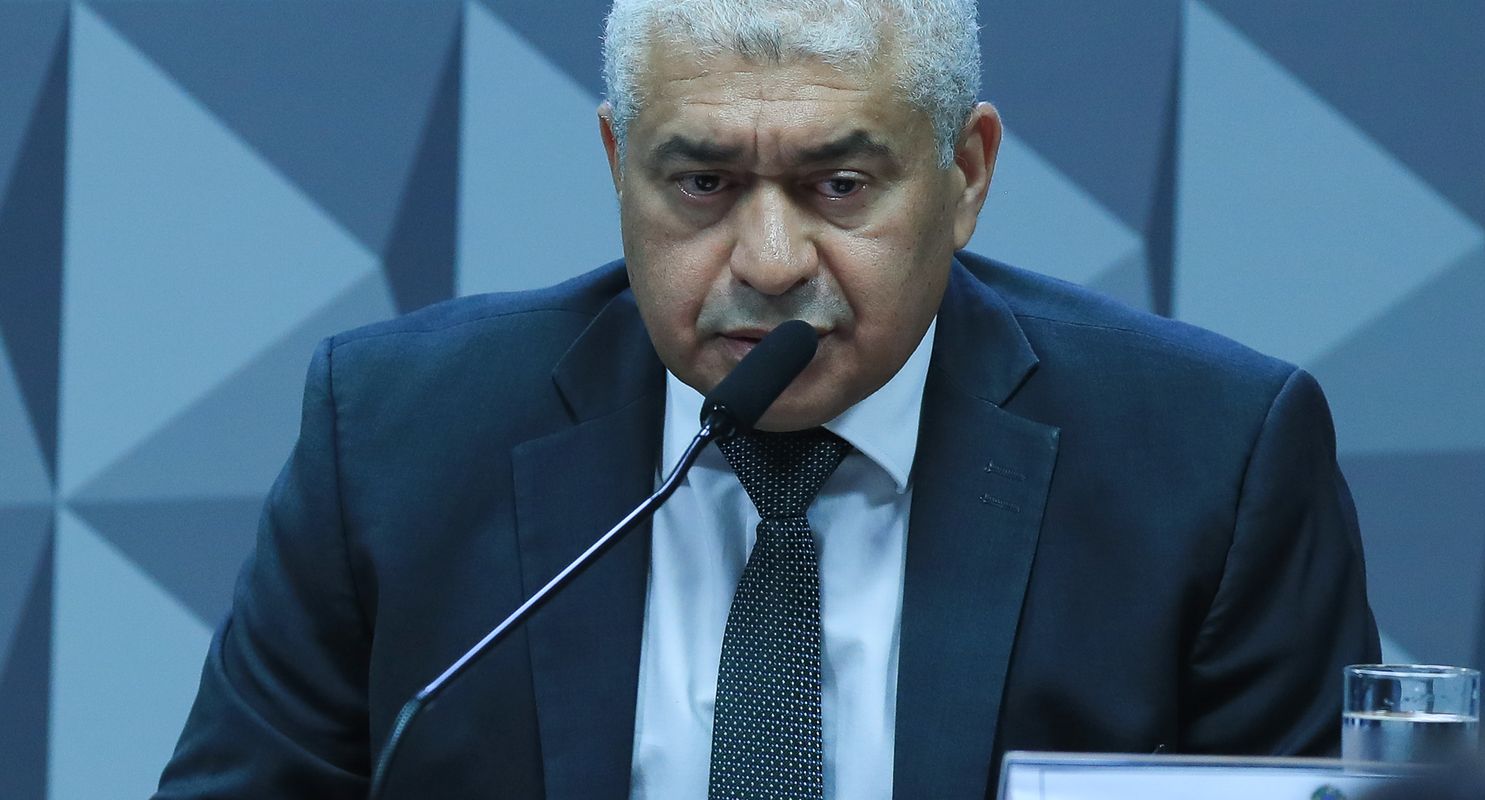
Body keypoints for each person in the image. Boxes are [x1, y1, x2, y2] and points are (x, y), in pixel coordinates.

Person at [155, 1, 1380, 798]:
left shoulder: (1209, 462)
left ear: (964, 175)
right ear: (617, 167)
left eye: (839, 184)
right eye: (701, 184)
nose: (771, 260)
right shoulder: (396, 438)